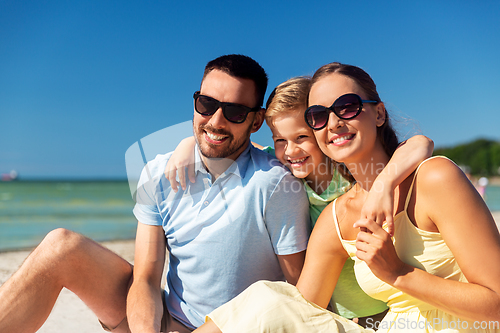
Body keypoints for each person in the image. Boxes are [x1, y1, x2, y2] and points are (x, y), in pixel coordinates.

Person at [0, 54, 310, 333]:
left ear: (256, 120)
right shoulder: (159, 173)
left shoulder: (275, 184)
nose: (216, 121)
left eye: (235, 112)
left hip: (231, 329)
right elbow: (146, 278)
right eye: (207, 104)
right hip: (161, 320)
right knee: (60, 247)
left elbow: (299, 293)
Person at [192, 63, 500, 333]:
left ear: (378, 113)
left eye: (348, 107)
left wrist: (398, 273)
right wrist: (189, 148)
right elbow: (297, 309)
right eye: (318, 116)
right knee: (267, 299)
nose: (334, 122)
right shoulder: (336, 218)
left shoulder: (434, 179)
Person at [165, 76, 433, 327]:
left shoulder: (350, 178)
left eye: (301, 138)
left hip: (373, 312)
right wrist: (189, 144)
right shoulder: (284, 170)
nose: (290, 150)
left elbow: (420, 143)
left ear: (319, 128)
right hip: (324, 308)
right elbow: (239, 145)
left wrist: (383, 186)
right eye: (280, 140)